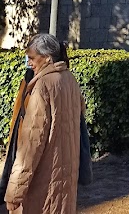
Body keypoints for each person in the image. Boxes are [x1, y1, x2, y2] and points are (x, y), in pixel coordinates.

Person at [4, 33, 84, 214]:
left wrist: (14, 194)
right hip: (65, 177)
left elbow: (31, 145)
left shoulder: (43, 86)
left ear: (47, 58)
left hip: (43, 181)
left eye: (32, 58)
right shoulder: (70, 80)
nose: (29, 62)